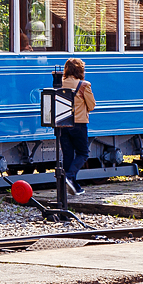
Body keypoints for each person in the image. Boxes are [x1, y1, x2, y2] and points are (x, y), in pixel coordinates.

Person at [61, 58, 96, 196]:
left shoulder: (59, 84)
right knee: (83, 153)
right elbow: (92, 106)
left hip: (62, 124)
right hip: (79, 124)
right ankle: (69, 177)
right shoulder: (84, 85)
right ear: (80, 70)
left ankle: (73, 186)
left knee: (68, 155)